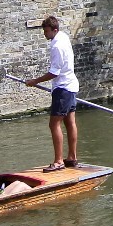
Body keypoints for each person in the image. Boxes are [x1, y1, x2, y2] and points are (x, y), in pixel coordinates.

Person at [24, 15, 82, 170]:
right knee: (70, 123)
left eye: (47, 31)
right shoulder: (63, 36)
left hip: (62, 88)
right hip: (71, 86)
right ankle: (72, 157)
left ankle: (58, 162)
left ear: (54, 30)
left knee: (54, 124)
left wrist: (34, 81)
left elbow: (54, 73)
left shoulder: (57, 46)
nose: (45, 34)